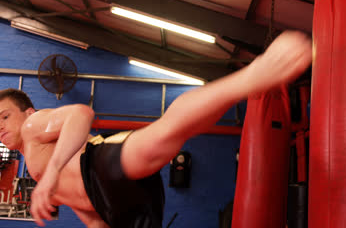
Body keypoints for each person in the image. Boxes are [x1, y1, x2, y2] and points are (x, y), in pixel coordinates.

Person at [0, 31, 312, 228]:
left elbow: (81, 114)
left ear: (27, 112)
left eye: (3, 117)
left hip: (98, 167)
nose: (0, 127)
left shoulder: (33, 124)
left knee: (165, 134)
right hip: (113, 206)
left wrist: (53, 172)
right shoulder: (34, 163)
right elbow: (82, 204)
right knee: (165, 137)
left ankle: (250, 78)